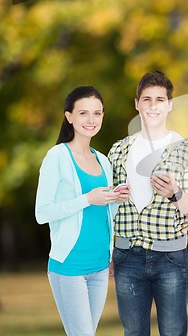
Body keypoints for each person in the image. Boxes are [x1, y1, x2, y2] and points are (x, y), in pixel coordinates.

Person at [108, 71, 188, 336]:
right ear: (137, 104)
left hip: (170, 259)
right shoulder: (118, 150)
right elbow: (109, 209)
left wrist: (176, 194)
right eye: (147, 99)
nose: (153, 106)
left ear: (170, 104)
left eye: (160, 100)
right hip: (127, 256)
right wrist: (109, 250)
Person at [35, 86, 127, 335]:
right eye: (84, 113)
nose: (91, 120)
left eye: (97, 113)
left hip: (99, 265)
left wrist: (117, 198)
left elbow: (104, 214)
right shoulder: (57, 156)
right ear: (69, 116)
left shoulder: (103, 161)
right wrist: (86, 199)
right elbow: (42, 213)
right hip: (69, 266)